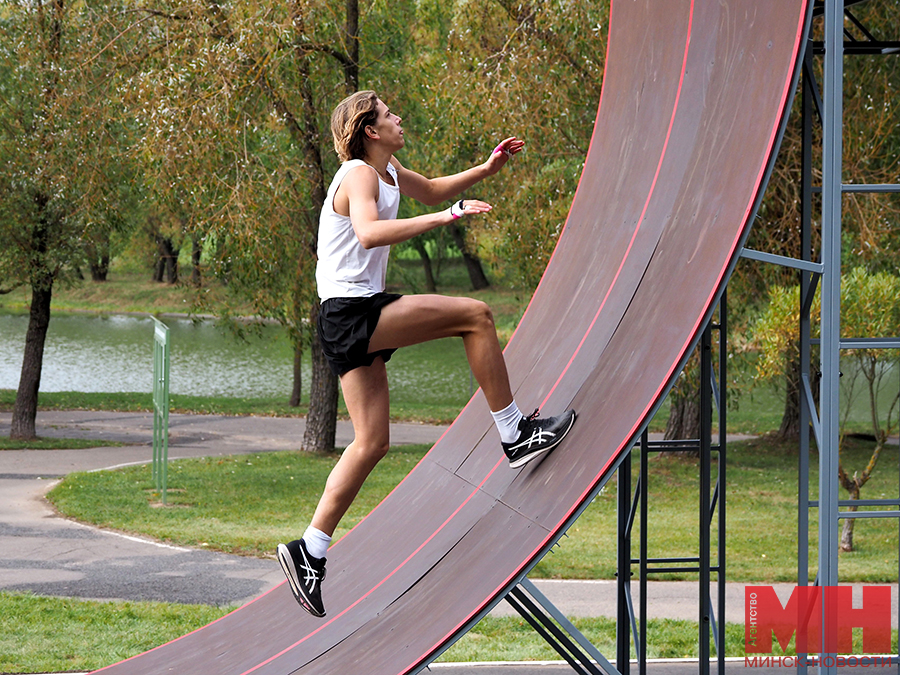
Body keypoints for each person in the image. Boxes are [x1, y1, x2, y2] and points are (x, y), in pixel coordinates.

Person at [277, 90, 576, 618]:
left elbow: (433, 188)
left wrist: (486, 169)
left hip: (348, 314)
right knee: (476, 315)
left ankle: (310, 550)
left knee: (371, 442)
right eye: (389, 115)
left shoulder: (386, 169)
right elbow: (369, 234)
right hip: (351, 313)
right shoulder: (358, 175)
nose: (399, 118)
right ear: (369, 130)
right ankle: (514, 433)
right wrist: (446, 220)